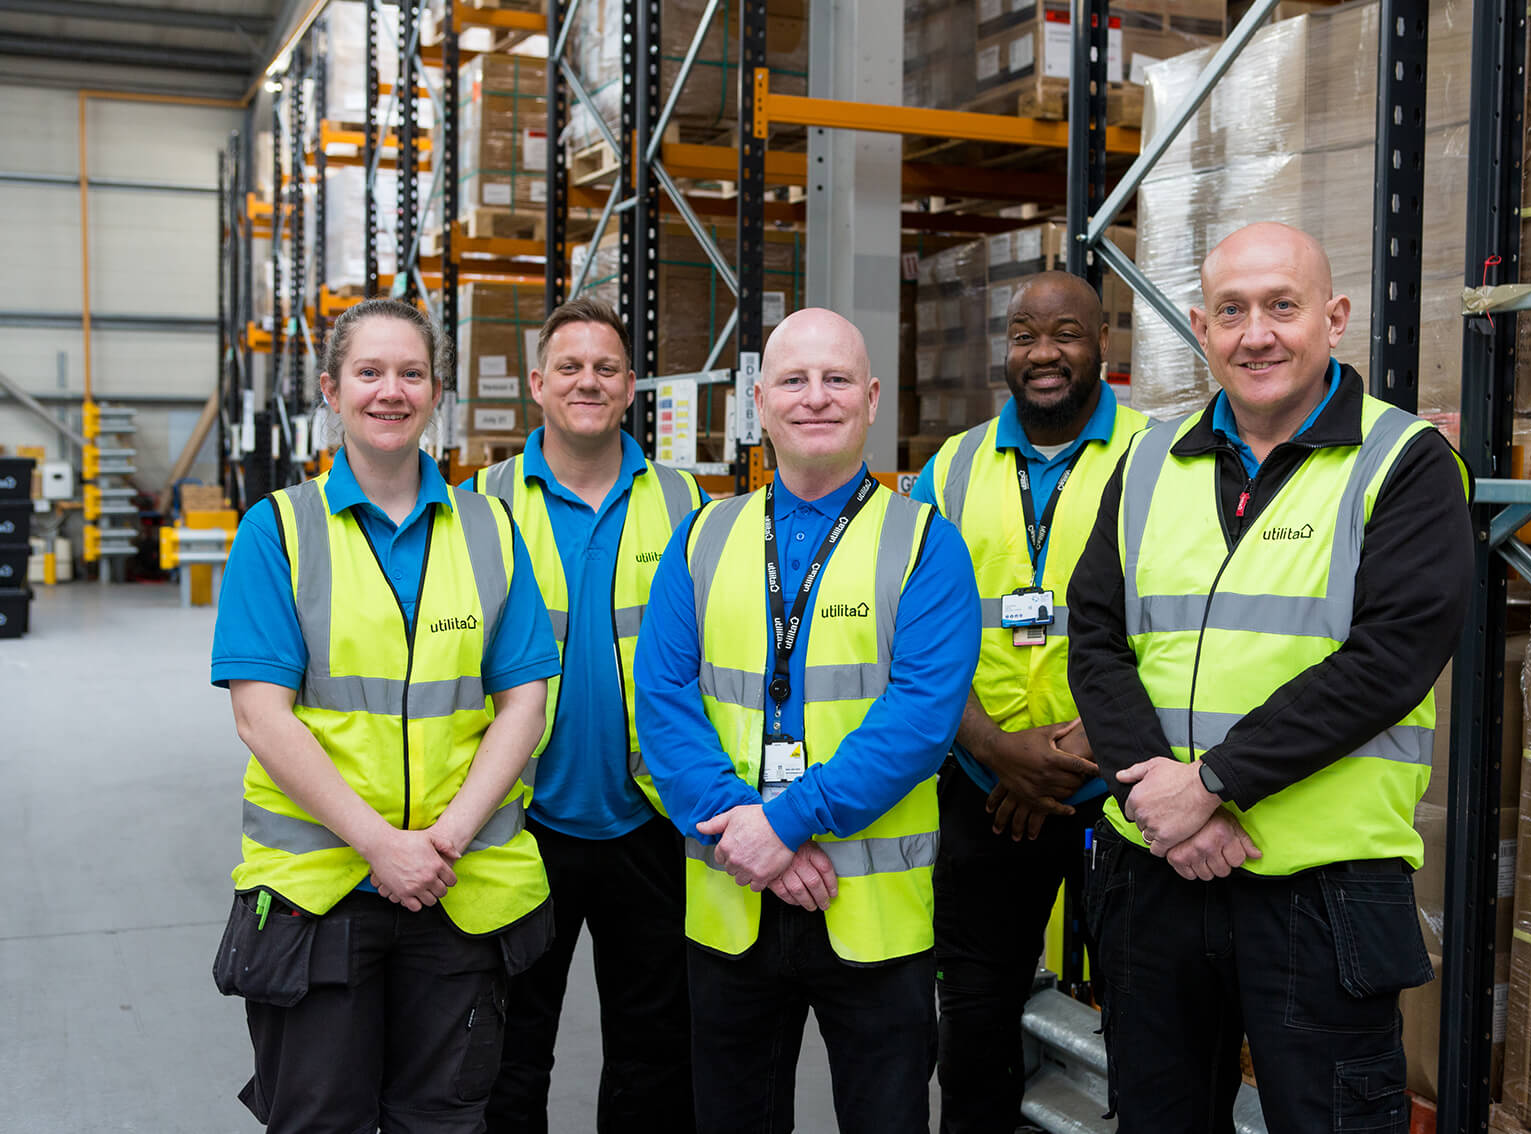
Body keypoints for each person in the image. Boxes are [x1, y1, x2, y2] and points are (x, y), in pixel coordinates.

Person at [1067, 223, 1472, 1133]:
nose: (1258, 333)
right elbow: (1094, 637)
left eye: (1282, 307)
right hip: (1155, 874)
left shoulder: (1403, 463)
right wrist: (1158, 801)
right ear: (1204, 330)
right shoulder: (1145, 464)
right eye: (1232, 311)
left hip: (1320, 890)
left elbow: (1388, 659)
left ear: (1334, 318)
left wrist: (1212, 783)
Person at [209, 297, 561, 1133]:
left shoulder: (491, 528)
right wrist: (381, 847)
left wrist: (441, 844)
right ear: (332, 389)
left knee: (444, 1122)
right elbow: (263, 716)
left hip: (457, 890)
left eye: (410, 373)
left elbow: (524, 699)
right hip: (320, 900)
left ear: (437, 390)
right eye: (369, 372)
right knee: (319, 1119)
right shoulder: (279, 531)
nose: (390, 391)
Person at [633, 307, 981, 1134]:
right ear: (760, 401)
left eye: (835, 381)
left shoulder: (925, 544)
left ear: (870, 401)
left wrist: (785, 822)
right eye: (794, 380)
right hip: (733, 899)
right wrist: (752, 837)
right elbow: (664, 703)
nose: (814, 398)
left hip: (874, 915)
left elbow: (919, 721)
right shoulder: (701, 539)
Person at [910, 270, 1147, 1133]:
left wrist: (1081, 749)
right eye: (1023, 335)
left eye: (1066, 334)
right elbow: (914, 629)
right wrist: (997, 749)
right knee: (973, 1014)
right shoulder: (955, 465)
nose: (1043, 353)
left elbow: (1176, 624)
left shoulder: (1158, 456)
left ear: (1103, 347)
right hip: (984, 785)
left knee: (1144, 1014)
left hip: (1125, 791)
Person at [473, 297, 704, 1133]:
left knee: (654, 1051)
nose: (587, 381)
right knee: (506, 1045)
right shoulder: (483, 504)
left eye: (605, 368)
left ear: (632, 387)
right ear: (537, 383)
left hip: (650, 817)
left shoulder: (686, 504)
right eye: (568, 367)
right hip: (518, 819)